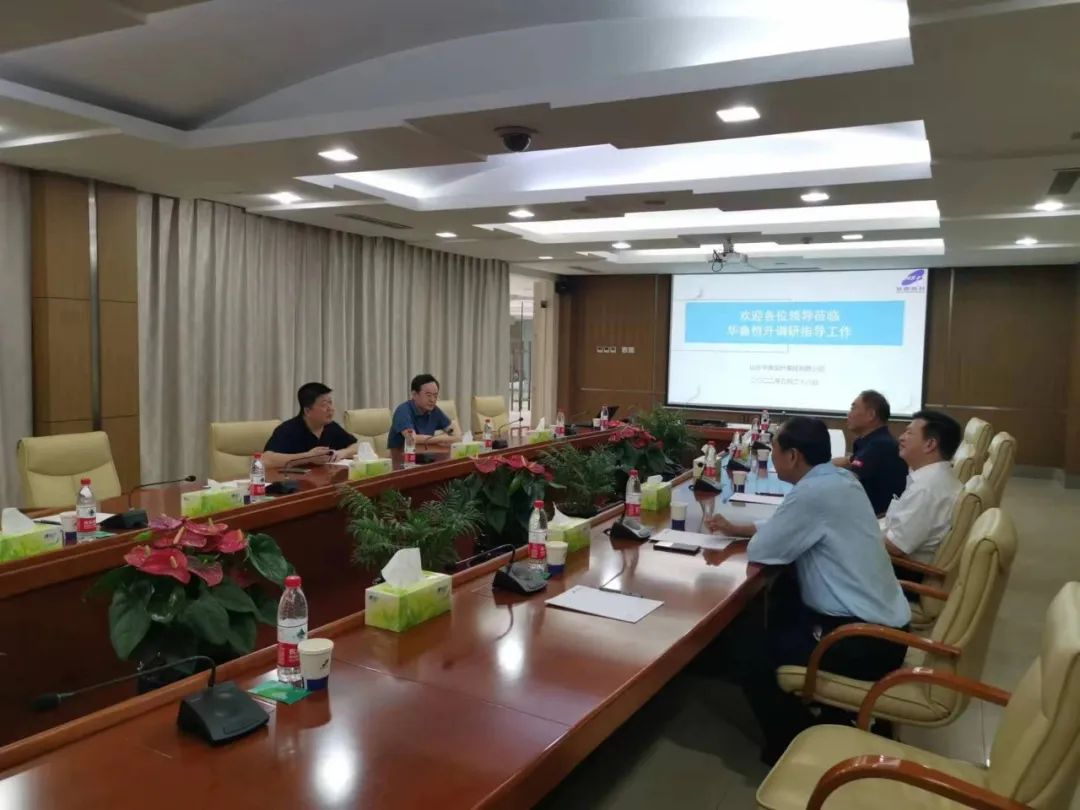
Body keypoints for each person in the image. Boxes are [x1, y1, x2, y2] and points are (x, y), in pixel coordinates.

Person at [707, 416, 910, 764]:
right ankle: (825, 714)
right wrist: (742, 527)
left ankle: (794, 742)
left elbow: (763, 550)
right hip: (887, 628)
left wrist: (750, 534)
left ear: (793, 456)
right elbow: (800, 524)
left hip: (862, 641)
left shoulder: (813, 493)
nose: (772, 458)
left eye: (774, 451)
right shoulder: (840, 479)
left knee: (747, 650)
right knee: (782, 599)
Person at [883, 409, 963, 568]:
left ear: (930, 444)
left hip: (899, 570)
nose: (901, 437)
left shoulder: (927, 489)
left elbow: (895, 546)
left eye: (909, 433)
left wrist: (861, 532)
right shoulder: (932, 477)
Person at [833, 389, 907, 515]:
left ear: (871, 415)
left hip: (876, 518)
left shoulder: (880, 445)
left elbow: (848, 482)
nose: (848, 414)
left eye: (853, 408)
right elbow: (851, 462)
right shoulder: (870, 442)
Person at [262, 382, 358, 469]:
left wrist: (342, 453)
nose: (331, 409)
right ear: (307, 411)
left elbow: (356, 447)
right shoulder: (288, 429)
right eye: (324, 404)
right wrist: (308, 457)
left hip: (325, 479)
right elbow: (265, 459)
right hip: (295, 481)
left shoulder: (331, 427)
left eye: (330, 403)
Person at [387, 374, 462, 450]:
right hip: (404, 456)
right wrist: (442, 438)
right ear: (414, 394)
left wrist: (447, 437)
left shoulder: (434, 410)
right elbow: (412, 438)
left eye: (435, 396)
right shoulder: (403, 411)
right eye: (428, 395)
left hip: (427, 454)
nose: (432, 400)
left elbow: (455, 433)